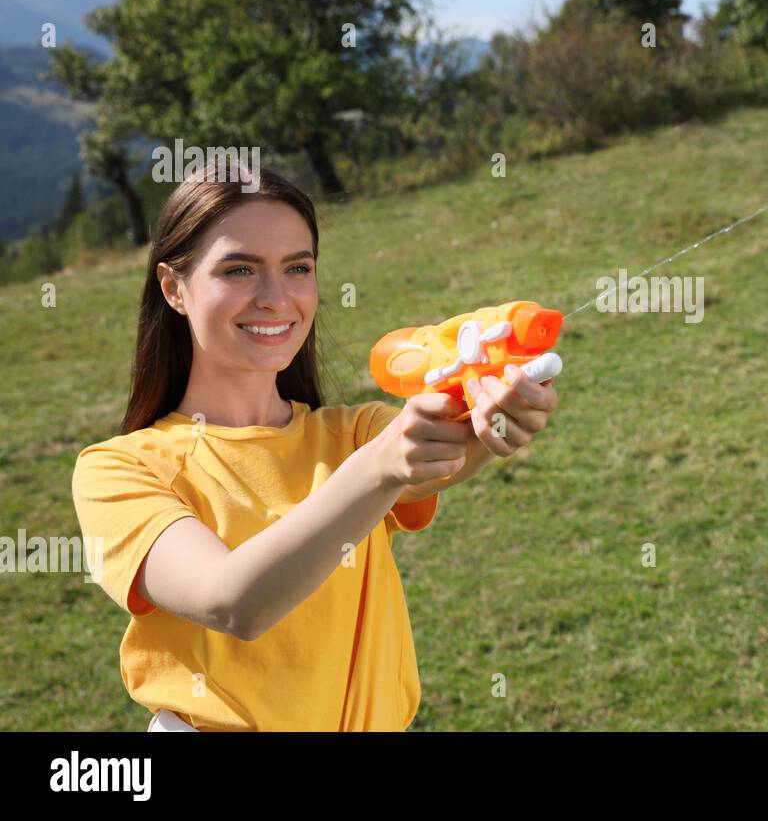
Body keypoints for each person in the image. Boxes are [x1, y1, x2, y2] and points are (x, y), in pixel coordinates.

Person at [71, 164, 559, 731]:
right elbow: (235, 602)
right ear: (174, 288)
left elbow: (450, 445)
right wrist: (380, 467)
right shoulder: (118, 471)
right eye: (239, 270)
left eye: (297, 268)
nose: (275, 298)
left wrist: (500, 412)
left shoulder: (351, 434)